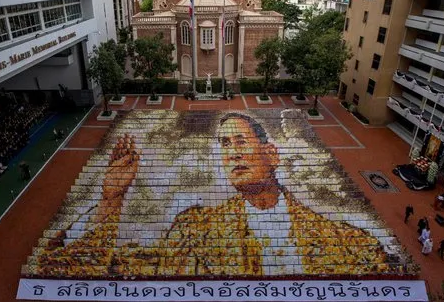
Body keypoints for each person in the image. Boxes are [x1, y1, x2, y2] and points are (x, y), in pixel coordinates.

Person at [36, 113, 391, 277]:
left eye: (241, 142)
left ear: (271, 155)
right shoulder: (194, 230)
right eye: (224, 145)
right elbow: (79, 268)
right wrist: (111, 201)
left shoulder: (347, 241)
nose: (233, 153)